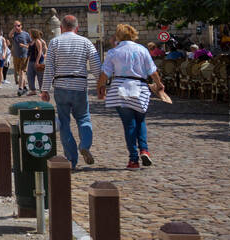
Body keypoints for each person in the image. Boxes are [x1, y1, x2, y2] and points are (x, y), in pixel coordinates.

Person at [98, 23, 163, 169]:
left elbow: (105, 73)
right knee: (140, 120)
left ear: (119, 36)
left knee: (129, 124)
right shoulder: (142, 50)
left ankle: (133, 159)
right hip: (140, 88)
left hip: (121, 88)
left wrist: (100, 87)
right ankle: (144, 150)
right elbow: (152, 70)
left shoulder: (114, 52)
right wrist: (159, 84)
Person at [40, 14, 98, 169]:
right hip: (79, 86)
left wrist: (45, 89)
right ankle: (85, 144)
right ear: (77, 27)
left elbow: (49, 67)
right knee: (84, 118)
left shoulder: (55, 42)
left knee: (64, 122)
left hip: (61, 86)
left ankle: (71, 160)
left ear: (61, 27)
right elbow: (95, 64)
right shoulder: (85, 42)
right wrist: (101, 84)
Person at [10, 20, 33, 95]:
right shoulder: (14, 34)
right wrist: (14, 29)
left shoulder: (25, 34)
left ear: (21, 26)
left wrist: (24, 46)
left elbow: (30, 45)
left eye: (18, 25)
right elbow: (10, 35)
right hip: (16, 56)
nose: (17, 27)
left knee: (22, 71)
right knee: (19, 73)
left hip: (24, 56)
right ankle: (25, 87)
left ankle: (20, 88)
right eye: (15, 26)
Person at [27, 29, 46, 95]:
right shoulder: (31, 41)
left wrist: (37, 61)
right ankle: (33, 90)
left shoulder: (38, 41)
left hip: (39, 61)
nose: (29, 34)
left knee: (40, 76)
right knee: (30, 75)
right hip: (31, 61)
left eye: (30, 33)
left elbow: (40, 51)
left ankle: (42, 91)